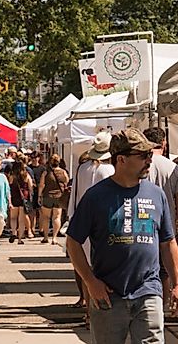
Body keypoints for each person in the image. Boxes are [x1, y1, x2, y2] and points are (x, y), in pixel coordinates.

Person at [67, 128, 178, 344]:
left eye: (150, 154)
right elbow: (73, 242)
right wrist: (90, 282)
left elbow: (168, 242)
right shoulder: (96, 197)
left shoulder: (156, 194)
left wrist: (177, 285)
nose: (149, 160)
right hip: (109, 295)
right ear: (121, 159)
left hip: (148, 290)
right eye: (143, 156)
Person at [69, 131, 116, 313]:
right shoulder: (110, 170)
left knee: (86, 270)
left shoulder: (82, 168)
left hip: (82, 223)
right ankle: (93, 311)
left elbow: (74, 197)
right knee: (97, 269)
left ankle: (89, 311)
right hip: (103, 226)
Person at [143, 127, 178, 308]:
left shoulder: (140, 164)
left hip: (143, 223)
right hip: (166, 225)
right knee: (165, 271)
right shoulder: (173, 168)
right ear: (164, 144)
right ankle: (161, 306)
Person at [38, 154, 68, 245]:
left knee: (46, 217)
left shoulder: (46, 172)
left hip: (47, 196)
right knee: (57, 217)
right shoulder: (63, 172)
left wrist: (39, 196)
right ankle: (54, 238)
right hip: (59, 196)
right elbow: (66, 182)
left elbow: (42, 185)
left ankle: (46, 237)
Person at [7, 161, 33, 244]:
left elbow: (9, 186)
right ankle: (20, 239)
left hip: (14, 197)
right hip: (23, 198)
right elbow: (30, 187)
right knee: (21, 220)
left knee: (13, 218)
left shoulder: (12, 176)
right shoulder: (26, 175)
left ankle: (13, 232)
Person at [29, 152, 46, 236]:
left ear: (39, 158)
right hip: (32, 191)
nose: (34, 159)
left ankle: (41, 229)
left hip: (41, 191)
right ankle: (32, 228)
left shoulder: (42, 168)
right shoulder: (29, 168)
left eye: (36, 157)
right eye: (33, 157)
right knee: (32, 212)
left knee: (41, 211)